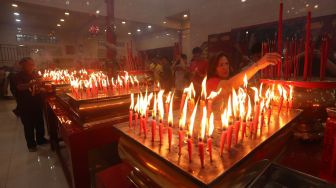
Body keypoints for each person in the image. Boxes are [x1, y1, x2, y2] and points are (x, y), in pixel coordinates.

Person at [207, 52, 280, 96]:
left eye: (227, 64)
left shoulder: (229, 79)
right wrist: (257, 65)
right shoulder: (211, 82)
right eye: (221, 65)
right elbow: (229, 86)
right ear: (214, 69)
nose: (225, 67)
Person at [15, 57, 48, 152]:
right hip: (25, 104)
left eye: (33, 64)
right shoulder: (17, 76)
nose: (32, 66)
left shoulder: (34, 74)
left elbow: (37, 85)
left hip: (36, 103)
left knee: (39, 123)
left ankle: (41, 140)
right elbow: (19, 87)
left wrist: (41, 86)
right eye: (30, 64)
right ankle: (31, 145)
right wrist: (32, 84)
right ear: (23, 65)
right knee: (28, 125)